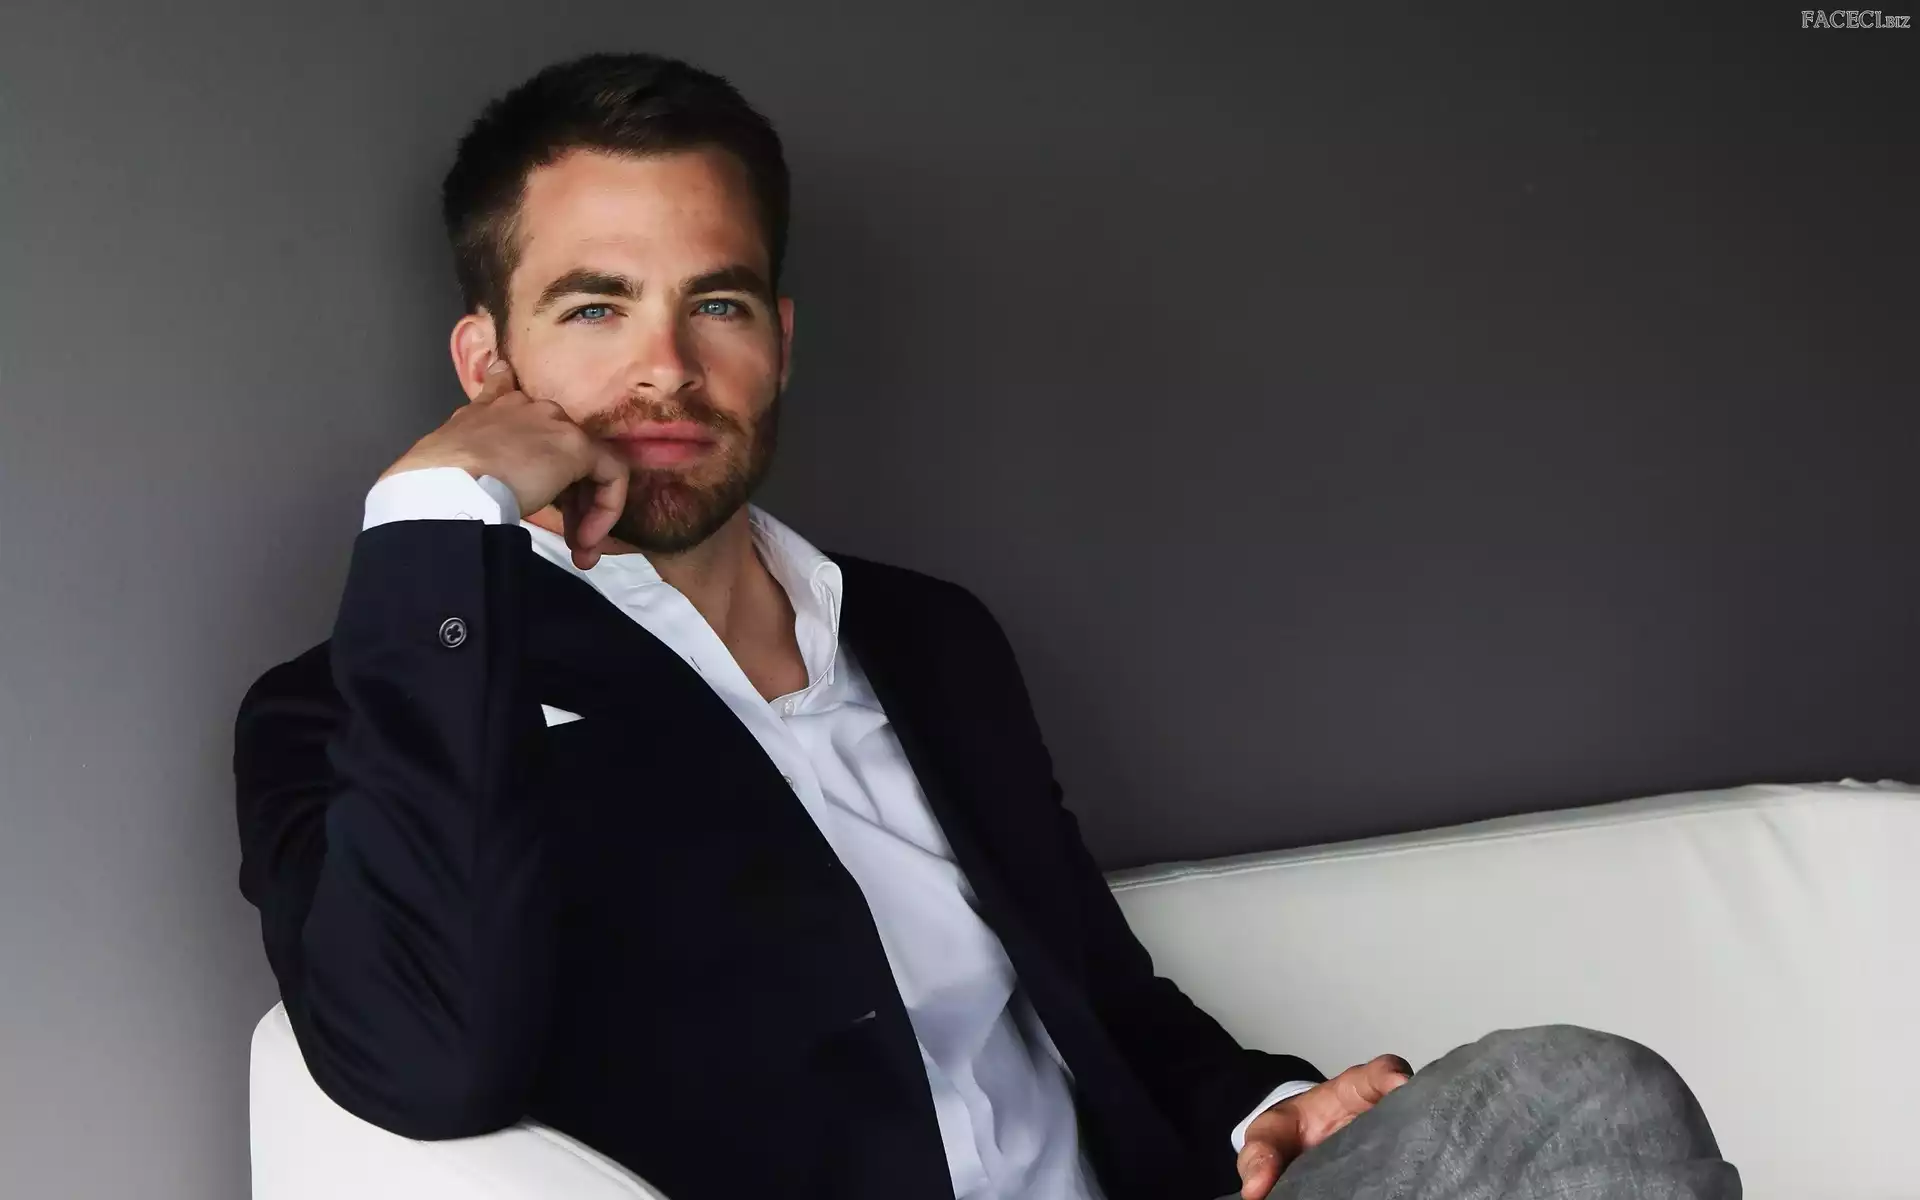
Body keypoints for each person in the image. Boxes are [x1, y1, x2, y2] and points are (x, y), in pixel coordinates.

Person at [232, 52, 1740, 1200]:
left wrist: (1256, 1110)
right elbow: (428, 1065)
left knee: (1581, 1095)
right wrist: (437, 512)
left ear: (780, 340)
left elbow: (1099, 994)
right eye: (594, 308)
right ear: (486, 364)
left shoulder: (928, 638)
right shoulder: (352, 706)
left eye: (720, 304)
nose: (667, 368)